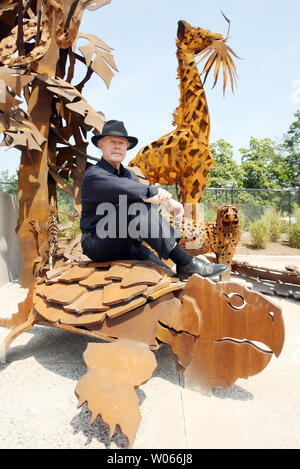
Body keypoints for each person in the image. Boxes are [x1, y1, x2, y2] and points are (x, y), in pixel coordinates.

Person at [80, 120, 228, 279]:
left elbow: (146, 203)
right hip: (98, 242)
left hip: (128, 242)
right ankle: (186, 261)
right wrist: (168, 202)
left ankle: (182, 264)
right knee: (134, 205)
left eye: (121, 143)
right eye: (112, 142)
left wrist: (158, 203)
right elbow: (129, 190)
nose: (117, 146)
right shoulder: (94, 175)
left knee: (166, 275)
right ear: (102, 145)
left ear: (126, 148)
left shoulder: (129, 175)